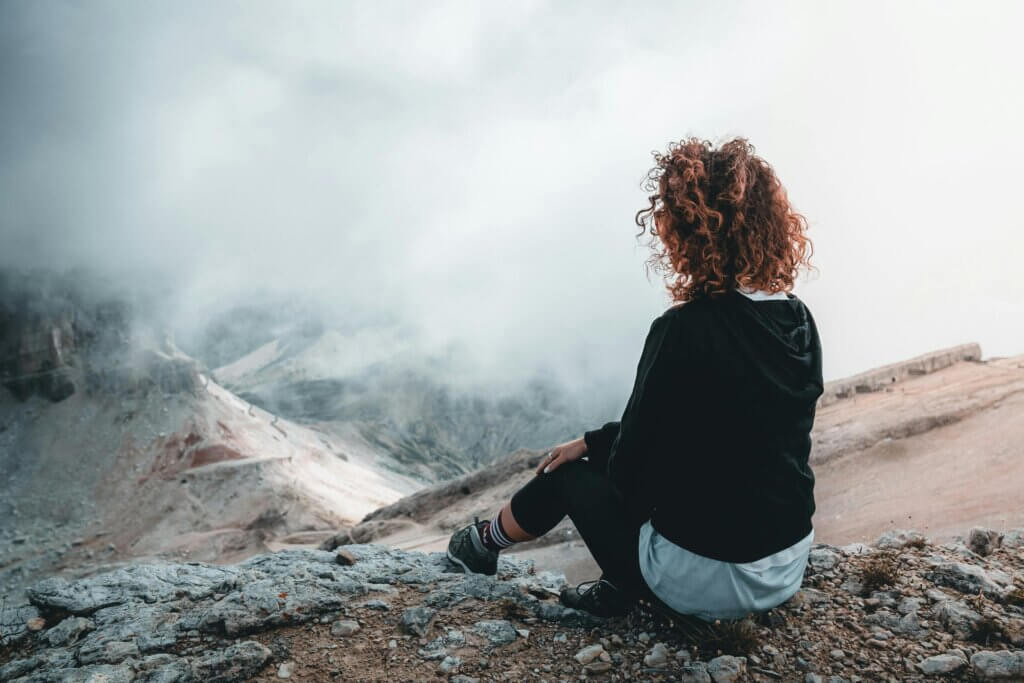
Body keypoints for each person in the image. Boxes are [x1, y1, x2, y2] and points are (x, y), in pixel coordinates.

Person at [447, 136, 823, 621]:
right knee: (657, 472)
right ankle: (609, 579)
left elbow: (631, 472)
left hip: (708, 583)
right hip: (786, 562)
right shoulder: (798, 320)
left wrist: (599, 454)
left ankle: (482, 544)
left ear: (687, 233)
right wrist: (593, 439)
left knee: (568, 478)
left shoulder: (683, 329)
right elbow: (731, 425)